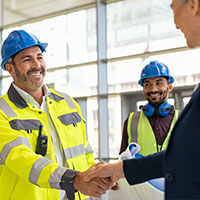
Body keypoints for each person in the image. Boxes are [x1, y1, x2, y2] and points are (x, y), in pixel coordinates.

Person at [84, 0, 200, 199]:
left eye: (172, 6)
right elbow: (180, 158)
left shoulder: (181, 116)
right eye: (148, 84)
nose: (174, 22)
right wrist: (120, 169)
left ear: (194, 5)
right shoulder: (132, 121)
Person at [0, 29, 114, 200]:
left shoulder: (67, 103)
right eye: (27, 59)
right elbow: (23, 160)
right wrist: (74, 179)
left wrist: (98, 175)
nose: (37, 65)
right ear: (10, 68)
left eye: (39, 57)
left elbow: (84, 151)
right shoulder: (3, 111)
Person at [119, 60, 179, 156]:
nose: (153, 89)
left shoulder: (183, 119)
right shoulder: (132, 121)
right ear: (143, 89)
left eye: (159, 83)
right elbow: (122, 160)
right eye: (147, 84)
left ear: (170, 87)